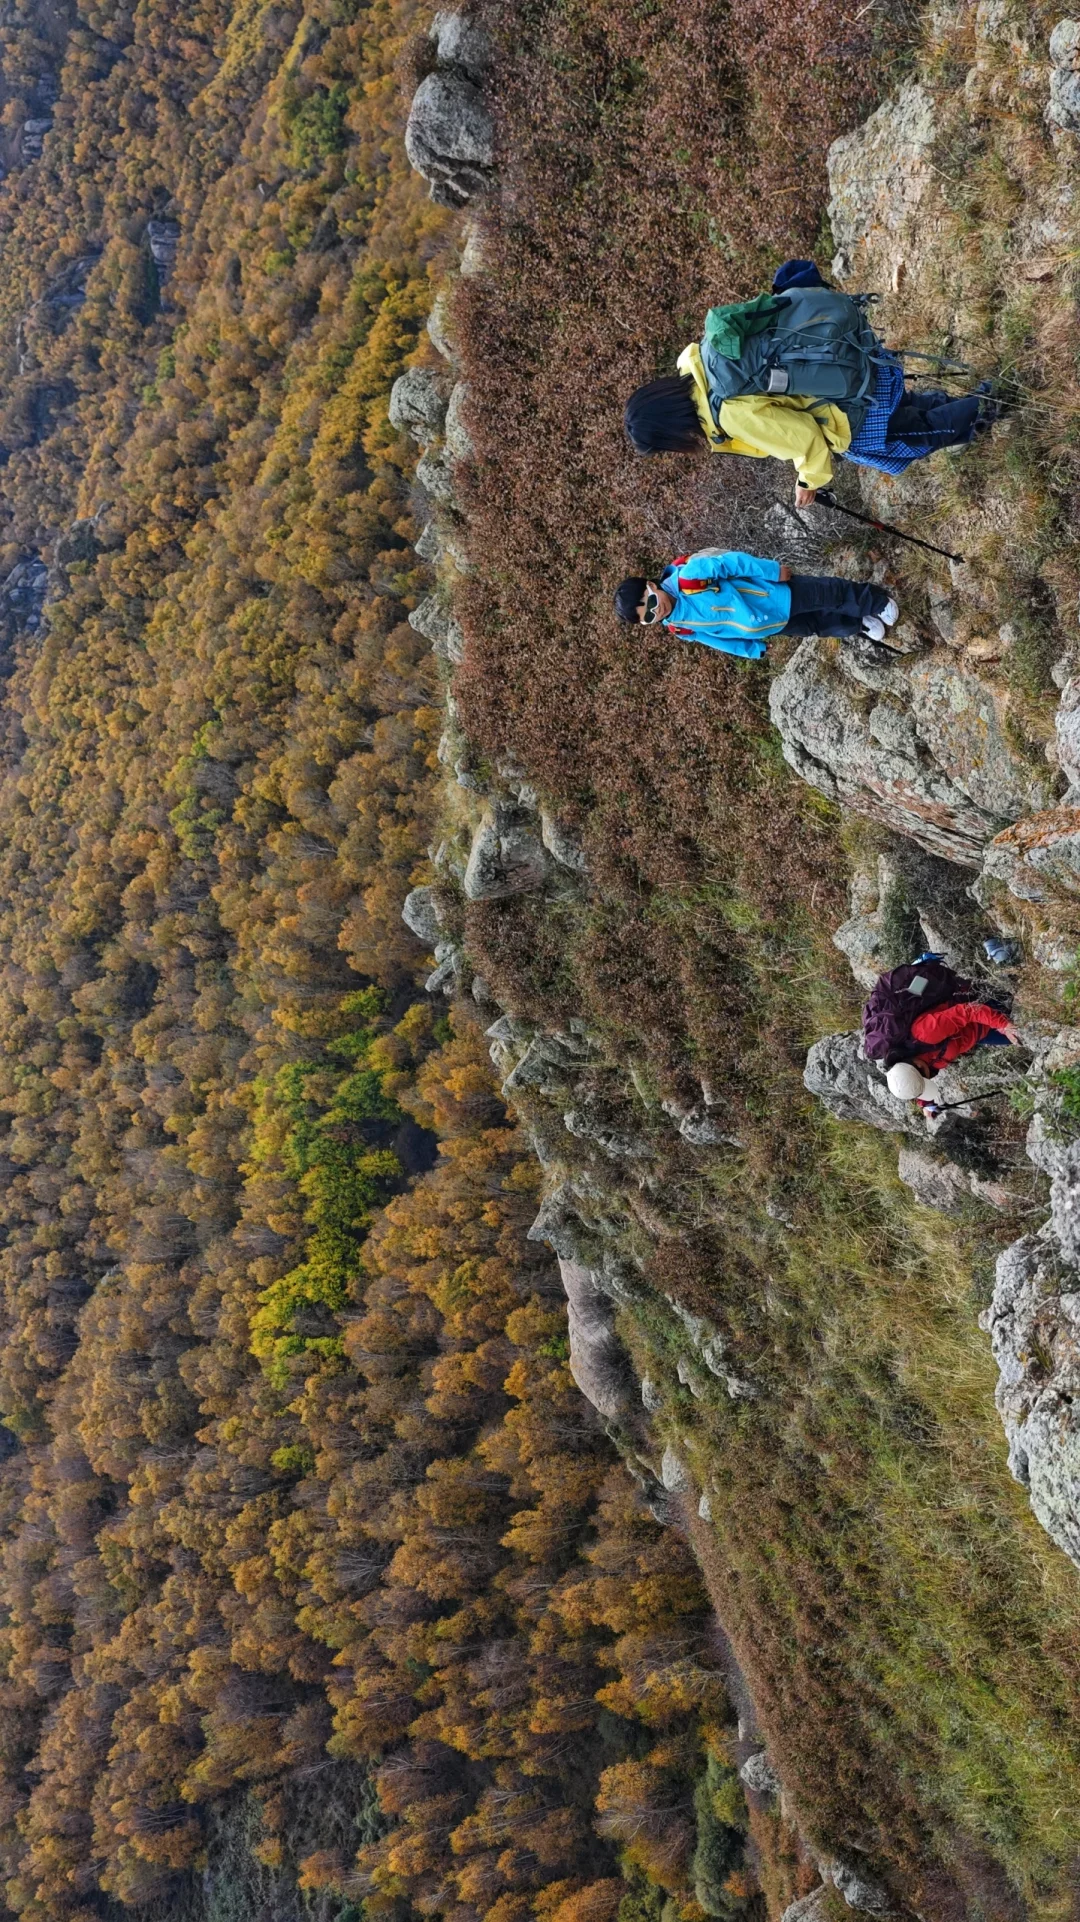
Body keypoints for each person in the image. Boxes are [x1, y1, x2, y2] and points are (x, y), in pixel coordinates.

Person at [624, 259, 997, 505]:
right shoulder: (704, 359)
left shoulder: (727, 413)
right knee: (910, 410)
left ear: (671, 433)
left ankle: (993, 406)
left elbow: (804, 438)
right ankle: (978, 410)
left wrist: (808, 482)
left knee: (915, 436)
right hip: (853, 363)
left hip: (851, 412)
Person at [613, 548, 900, 653]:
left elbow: (732, 563)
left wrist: (771, 571)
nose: (656, 612)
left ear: (651, 586)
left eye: (650, 603)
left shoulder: (688, 577)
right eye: (648, 617)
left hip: (775, 594)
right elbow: (716, 640)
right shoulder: (679, 628)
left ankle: (875, 602)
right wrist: (749, 649)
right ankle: (859, 622)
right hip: (771, 625)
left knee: (828, 594)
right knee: (817, 625)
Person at [868, 952, 1023, 1110]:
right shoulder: (917, 1061)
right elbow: (914, 1077)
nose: (931, 1078)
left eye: (926, 1079)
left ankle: (1008, 954)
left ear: (918, 1065)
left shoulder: (926, 1033)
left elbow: (969, 1011)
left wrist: (1003, 1024)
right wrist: (925, 1103)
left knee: (1023, 1019)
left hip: (984, 1004)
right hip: (979, 1033)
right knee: (1023, 1037)